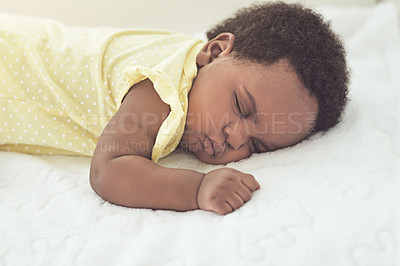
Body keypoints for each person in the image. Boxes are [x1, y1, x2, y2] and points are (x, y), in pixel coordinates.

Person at [0, 2, 349, 215]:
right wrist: (195, 190)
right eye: (241, 106)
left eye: (256, 146)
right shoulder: (161, 85)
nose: (236, 137)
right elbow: (109, 172)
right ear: (215, 52)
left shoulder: (197, 69)